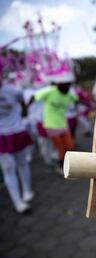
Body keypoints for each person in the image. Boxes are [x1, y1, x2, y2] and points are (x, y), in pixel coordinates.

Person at [29, 71, 78, 171]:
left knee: (70, 145)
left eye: (69, 85)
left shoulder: (68, 93)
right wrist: (26, 109)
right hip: (51, 125)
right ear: (58, 84)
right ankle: (62, 166)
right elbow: (34, 96)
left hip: (63, 124)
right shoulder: (50, 91)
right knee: (61, 148)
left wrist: (77, 107)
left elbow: (76, 99)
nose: (67, 87)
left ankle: (67, 165)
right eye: (65, 85)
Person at [0, 77, 34, 213]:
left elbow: (24, 107)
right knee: (8, 168)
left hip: (17, 131)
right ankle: (17, 202)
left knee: (22, 163)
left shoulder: (13, 91)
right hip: (1, 136)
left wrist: (21, 118)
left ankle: (27, 190)